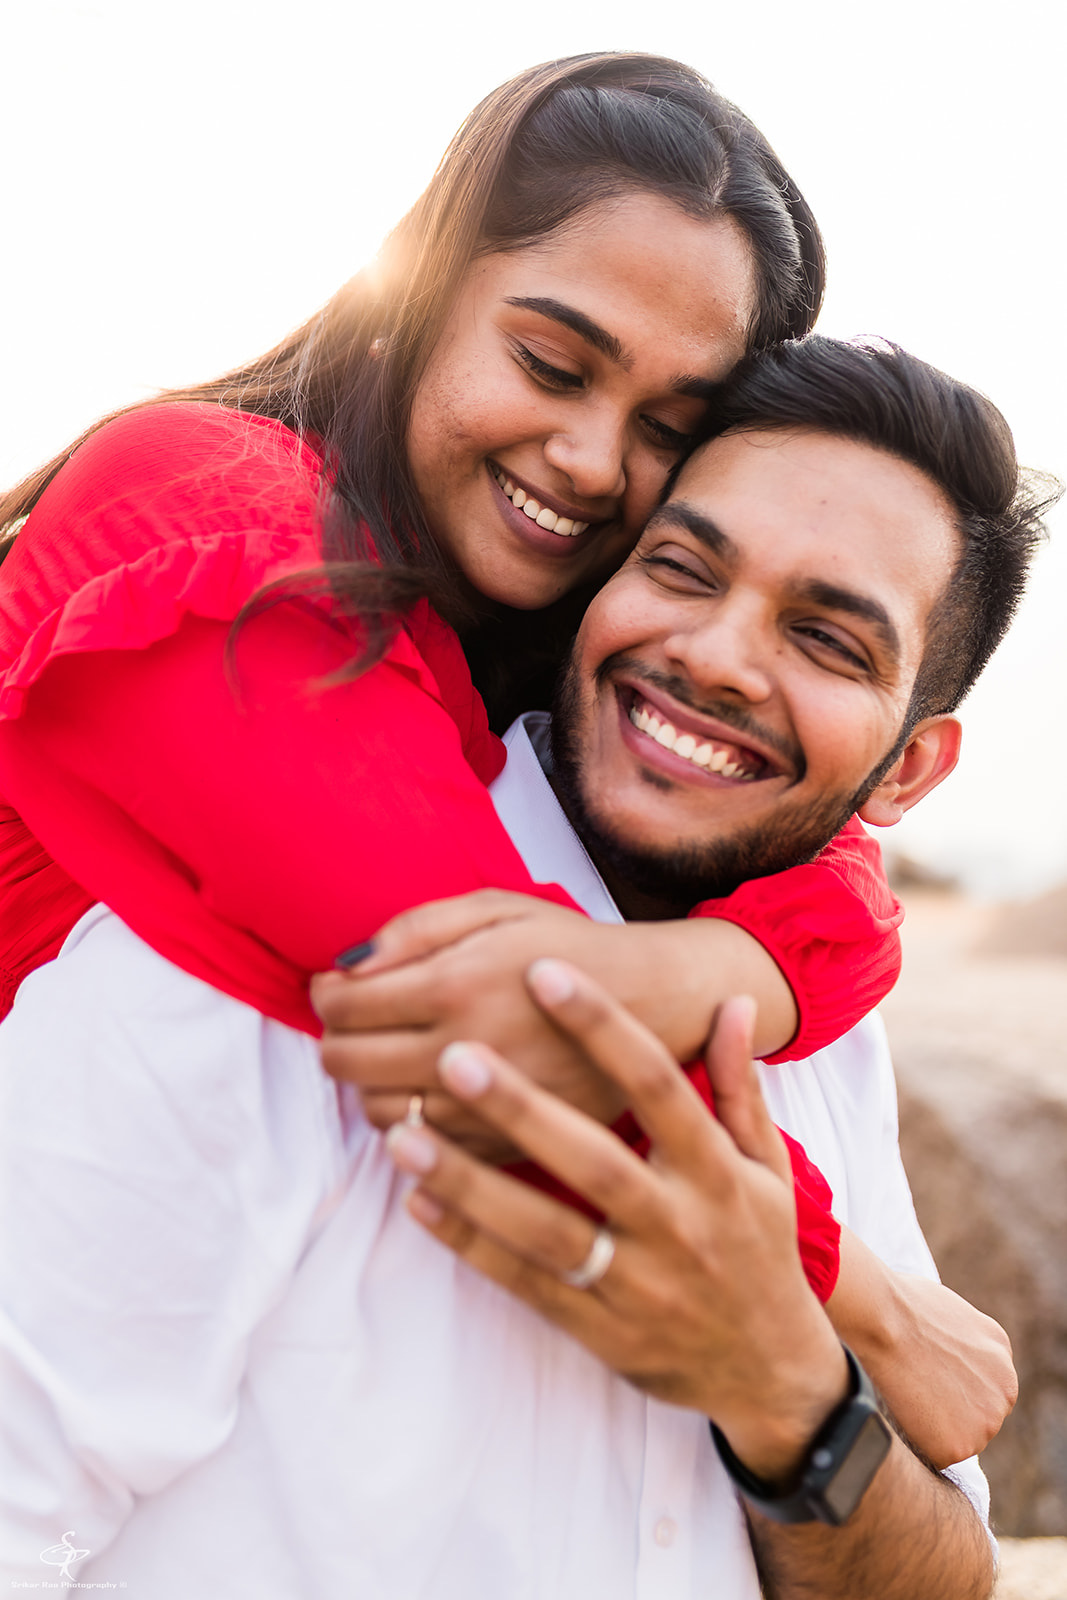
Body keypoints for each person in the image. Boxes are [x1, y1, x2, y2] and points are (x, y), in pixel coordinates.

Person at [0, 338, 1043, 1597]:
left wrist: (789, 1400)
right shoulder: (243, 974)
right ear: (593, 579)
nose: (714, 655)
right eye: (678, 565)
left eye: (826, 639)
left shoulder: (823, 1039)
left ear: (910, 769)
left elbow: (940, 1576)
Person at [0, 53, 898, 1112]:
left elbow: (823, 848)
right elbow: (500, 1023)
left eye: (669, 427)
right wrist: (853, 1284)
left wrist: (721, 970)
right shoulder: (196, 495)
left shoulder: (559, 630)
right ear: (417, 296)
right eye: (550, 365)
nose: (593, 461)